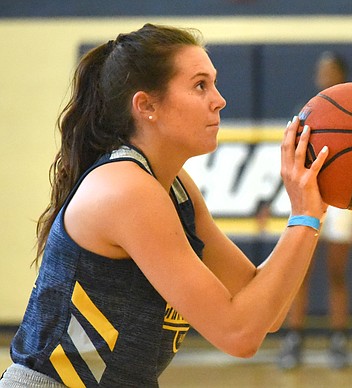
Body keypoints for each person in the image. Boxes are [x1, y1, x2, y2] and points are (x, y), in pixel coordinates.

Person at [0, 23, 329, 387]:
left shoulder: (174, 187)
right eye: (200, 85)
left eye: (214, 84)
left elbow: (264, 312)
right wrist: (304, 217)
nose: (219, 99)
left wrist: (310, 213)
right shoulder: (126, 189)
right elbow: (239, 334)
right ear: (147, 106)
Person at [277, 51, 352, 371]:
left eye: (328, 69)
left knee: (337, 274)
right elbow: (291, 159)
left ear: (341, 74)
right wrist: (274, 197)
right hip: (309, 195)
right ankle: (294, 338)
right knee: (300, 273)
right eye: (320, 69)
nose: (322, 74)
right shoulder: (306, 112)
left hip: (344, 200)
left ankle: (338, 340)